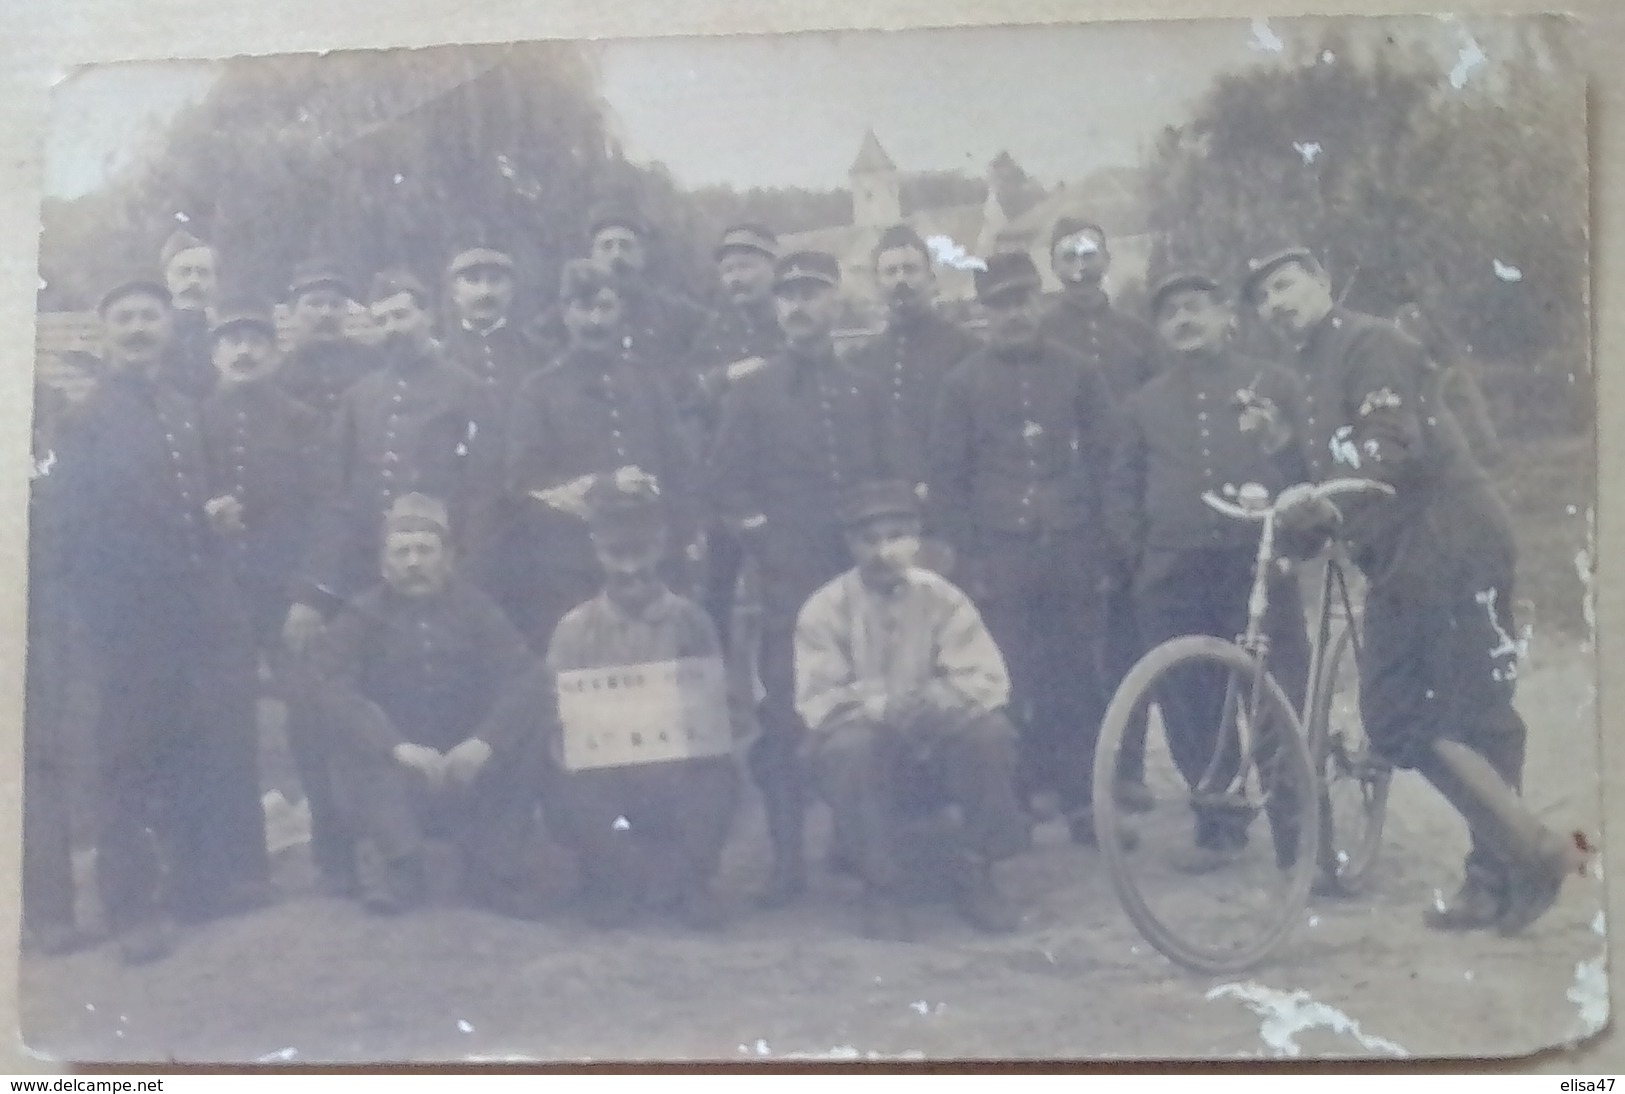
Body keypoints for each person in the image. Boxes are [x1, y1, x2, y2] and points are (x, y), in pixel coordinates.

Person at [1241, 245, 1576, 933]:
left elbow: (1392, 446)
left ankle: (1515, 863)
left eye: (1283, 284)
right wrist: (1282, 462)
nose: (1275, 304)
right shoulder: (1302, 372)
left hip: (1449, 537)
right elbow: (1329, 488)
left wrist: (1313, 490)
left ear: (1321, 281)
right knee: (1410, 717)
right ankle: (1515, 859)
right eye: (1261, 298)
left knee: (1454, 714)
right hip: (1399, 554)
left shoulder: (1371, 343)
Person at [56, 276, 269, 964]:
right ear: (104, 333)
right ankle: (131, 908)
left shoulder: (183, 406)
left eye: (149, 316)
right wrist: (104, 619)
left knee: (192, 746)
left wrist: (214, 522)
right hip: (125, 620)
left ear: (169, 328)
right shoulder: (83, 420)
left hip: (191, 612)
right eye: (124, 319)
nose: (139, 328)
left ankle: (196, 888)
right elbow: (73, 533)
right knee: (126, 762)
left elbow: (188, 500)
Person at [1105, 271, 1313, 871]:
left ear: (1228, 316)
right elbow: (1121, 491)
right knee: (1190, 702)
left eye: (1196, 307)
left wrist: (1294, 531)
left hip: (1255, 566)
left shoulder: (1274, 384)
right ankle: (1217, 825)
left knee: (1274, 695)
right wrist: (1141, 556)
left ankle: (1296, 831)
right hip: (1173, 578)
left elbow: (1303, 466)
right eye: (1170, 314)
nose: (1184, 321)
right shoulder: (1142, 405)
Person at [710, 249, 898, 906]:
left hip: (864, 585)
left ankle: (858, 843)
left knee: (866, 712)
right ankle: (786, 860)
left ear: (833, 301)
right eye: (787, 296)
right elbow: (727, 488)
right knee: (787, 720)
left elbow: (889, 478)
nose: (797, 306)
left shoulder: (864, 389)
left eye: (811, 293)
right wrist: (766, 539)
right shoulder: (751, 392)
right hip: (787, 588)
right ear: (775, 308)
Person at [928, 250, 1119, 846]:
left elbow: (1109, 457)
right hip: (999, 556)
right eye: (1000, 305)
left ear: (1040, 300)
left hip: (1069, 547)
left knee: (1078, 679)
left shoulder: (1079, 371)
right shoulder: (962, 383)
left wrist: (1102, 545)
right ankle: (1015, 801)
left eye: (1022, 300)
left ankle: (1085, 805)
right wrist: (968, 562)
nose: (1014, 314)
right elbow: (948, 480)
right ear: (984, 313)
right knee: (1007, 679)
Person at [795, 479, 1028, 940]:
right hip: (871, 749)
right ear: (850, 545)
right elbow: (817, 699)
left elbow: (987, 679)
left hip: (933, 741)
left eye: (897, 537)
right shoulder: (825, 609)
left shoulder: (944, 599)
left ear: (918, 539)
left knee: (990, 734)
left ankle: (977, 871)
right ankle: (880, 887)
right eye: (870, 540)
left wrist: (938, 701)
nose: (884, 552)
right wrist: (879, 705)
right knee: (850, 747)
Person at [311, 493, 549, 918]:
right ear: (384, 563)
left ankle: (493, 867)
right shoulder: (361, 615)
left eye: (425, 550)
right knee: (346, 729)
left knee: (532, 720)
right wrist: (394, 746)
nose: (414, 562)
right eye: (402, 552)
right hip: (398, 772)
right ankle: (403, 864)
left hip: (468, 765)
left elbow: (525, 675)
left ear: (449, 558)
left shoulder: (476, 609)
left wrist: (484, 742)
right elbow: (331, 687)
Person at [541, 473, 740, 929]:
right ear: (598, 554)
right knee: (568, 783)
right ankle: (613, 881)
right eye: (617, 555)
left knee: (719, 777)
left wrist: (703, 720)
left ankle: (691, 879)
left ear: (660, 551)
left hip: (675, 773)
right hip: (607, 776)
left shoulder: (692, 622)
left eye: (640, 554)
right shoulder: (575, 629)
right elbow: (555, 708)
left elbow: (723, 703)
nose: (630, 569)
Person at [283, 269, 498, 654]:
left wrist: (468, 570)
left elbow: (483, 490)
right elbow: (335, 495)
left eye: (401, 316)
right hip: (369, 569)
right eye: (381, 321)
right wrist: (317, 586)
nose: (392, 329)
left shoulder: (466, 389)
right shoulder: (360, 396)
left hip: (443, 568)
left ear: (428, 316)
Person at [506, 259, 702, 648]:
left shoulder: (647, 380)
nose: (595, 321)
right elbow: (522, 483)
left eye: (604, 307)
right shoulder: (539, 390)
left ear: (621, 313)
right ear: (564, 315)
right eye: (583, 308)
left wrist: (685, 539)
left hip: (652, 562)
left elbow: (679, 468)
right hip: (575, 566)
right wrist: (604, 486)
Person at [1039, 216, 1160, 814]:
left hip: (1129, 503)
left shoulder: (1138, 335)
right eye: (1069, 257)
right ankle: (1067, 771)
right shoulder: (1039, 334)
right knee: (1065, 644)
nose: (1081, 267)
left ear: (1107, 258)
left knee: (1127, 640)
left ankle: (1128, 766)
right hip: (1065, 508)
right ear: (1054, 266)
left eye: (1090, 253)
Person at [848, 224, 979, 575]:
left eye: (911, 269)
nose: (901, 280)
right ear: (877, 284)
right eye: (890, 271)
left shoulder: (966, 350)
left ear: (932, 279)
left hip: (954, 514)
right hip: (885, 520)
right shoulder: (862, 360)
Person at [683, 222, 784, 649]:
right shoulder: (713, 330)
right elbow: (688, 395)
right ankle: (719, 686)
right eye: (729, 270)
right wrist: (722, 376)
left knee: (780, 588)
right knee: (716, 590)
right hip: (723, 483)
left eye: (747, 266)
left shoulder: (789, 321)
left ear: (772, 268)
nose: (737, 279)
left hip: (777, 479)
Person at [529, 201, 713, 375]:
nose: (617, 256)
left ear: (642, 256)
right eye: (606, 246)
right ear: (592, 254)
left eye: (626, 246)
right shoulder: (563, 317)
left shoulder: (676, 314)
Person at [274, 261, 382, 420]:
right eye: (315, 303)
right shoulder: (279, 371)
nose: (326, 313)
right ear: (293, 311)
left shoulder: (372, 363)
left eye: (335, 304)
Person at [158, 228, 223, 399]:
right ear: (166, 277)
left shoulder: (225, 334)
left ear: (216, 281)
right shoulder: (153, 334)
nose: (194, 281)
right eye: (184, 272)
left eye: (203, 273)